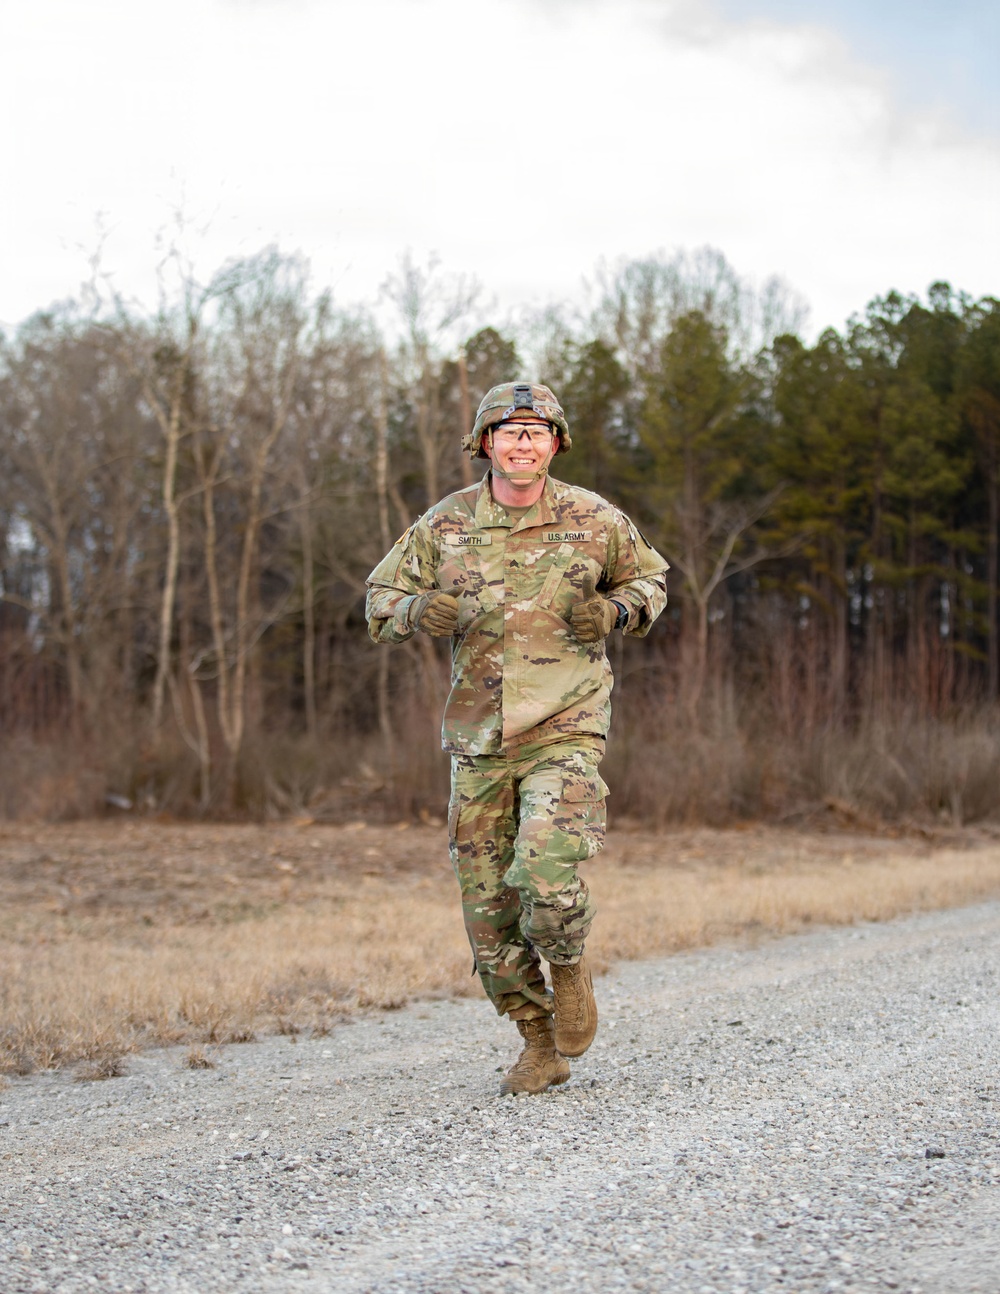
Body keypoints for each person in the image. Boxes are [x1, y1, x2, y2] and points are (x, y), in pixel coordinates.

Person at [365, 381, 668, 1095]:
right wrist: (418, 610)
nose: (523, 442)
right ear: (485, 445)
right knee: (488, 916)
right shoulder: (444, 526)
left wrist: (616, 610)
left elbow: (652, 581)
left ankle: (568, 969)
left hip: (566, 726)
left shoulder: (594, 519)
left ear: (556, 443)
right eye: (509, 431)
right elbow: (378, 600)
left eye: (536, 431)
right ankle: (540, 1044)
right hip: (479, 740)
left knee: (542, 865)